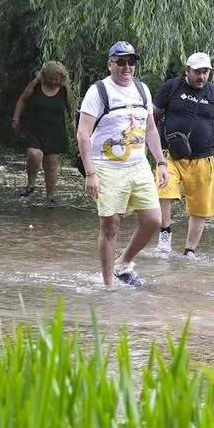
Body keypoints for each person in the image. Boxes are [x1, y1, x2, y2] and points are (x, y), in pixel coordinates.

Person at [76, 41, 168, 288]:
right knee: (111, 226)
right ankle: (108, 285)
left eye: (131, 62)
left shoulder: (142, 90)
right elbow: (83, 134)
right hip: (106, 166)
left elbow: (150, 128)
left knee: (153, 220)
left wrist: (160, 162)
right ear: (110, 64)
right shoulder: (98, 91)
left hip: (137, 165)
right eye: (121, 62)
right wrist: (90, 173)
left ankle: (123, 263)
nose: (127, 67)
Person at [151, 52, 214, 258]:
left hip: (202, 158)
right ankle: (165, 234)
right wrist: (151, 145)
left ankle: (190, 251)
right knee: (165, 191)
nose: (201, 76)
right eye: (197, 72)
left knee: (201, 207)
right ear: (187, 70)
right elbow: (152, 115)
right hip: (170, 155)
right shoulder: (172, 87)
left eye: (205, 72)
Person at [12, 61, 77, 204]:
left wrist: (76, 130)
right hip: (34, 128)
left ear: (62, 79)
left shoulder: (65, 90)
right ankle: (31, 185)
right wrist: (16, 118)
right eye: (51, 78)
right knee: (34, 155)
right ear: (44, 76)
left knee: (51, 164)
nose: (53, 82)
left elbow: (71, 110)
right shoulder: (35, 85)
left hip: (55, 131)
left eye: (56, 79)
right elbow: (22, 99)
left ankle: (50, 197)